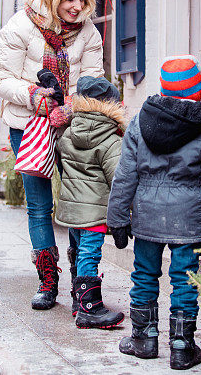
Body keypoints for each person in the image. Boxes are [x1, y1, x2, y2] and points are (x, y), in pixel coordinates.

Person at [0, 0, 104, 310]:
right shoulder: (19, 27)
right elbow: (2, 80)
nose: (77, 6)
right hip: (28, 126)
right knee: (39, 206)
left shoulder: (88, 33)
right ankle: (47, 281)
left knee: (76, 204)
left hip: (74, 126)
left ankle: (80, 281)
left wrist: (70, 106)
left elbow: (93, 82)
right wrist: (36, 97)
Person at [107, 55, 201, 370]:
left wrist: (118, 220)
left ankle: (144, 340)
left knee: (145, 275)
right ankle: (182, 346)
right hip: (189, 219)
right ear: (198, 92)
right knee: (185, 280)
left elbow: (125, 176)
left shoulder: (138, 122)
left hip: (147, 218)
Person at [55, 76, 125, 329]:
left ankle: (78, 299)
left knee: (78, 248)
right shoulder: (111, 141)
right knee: (90, 252)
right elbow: (119, 180)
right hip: (95, 211)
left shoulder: (68, 134)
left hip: (72, 208)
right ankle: (90, 308)